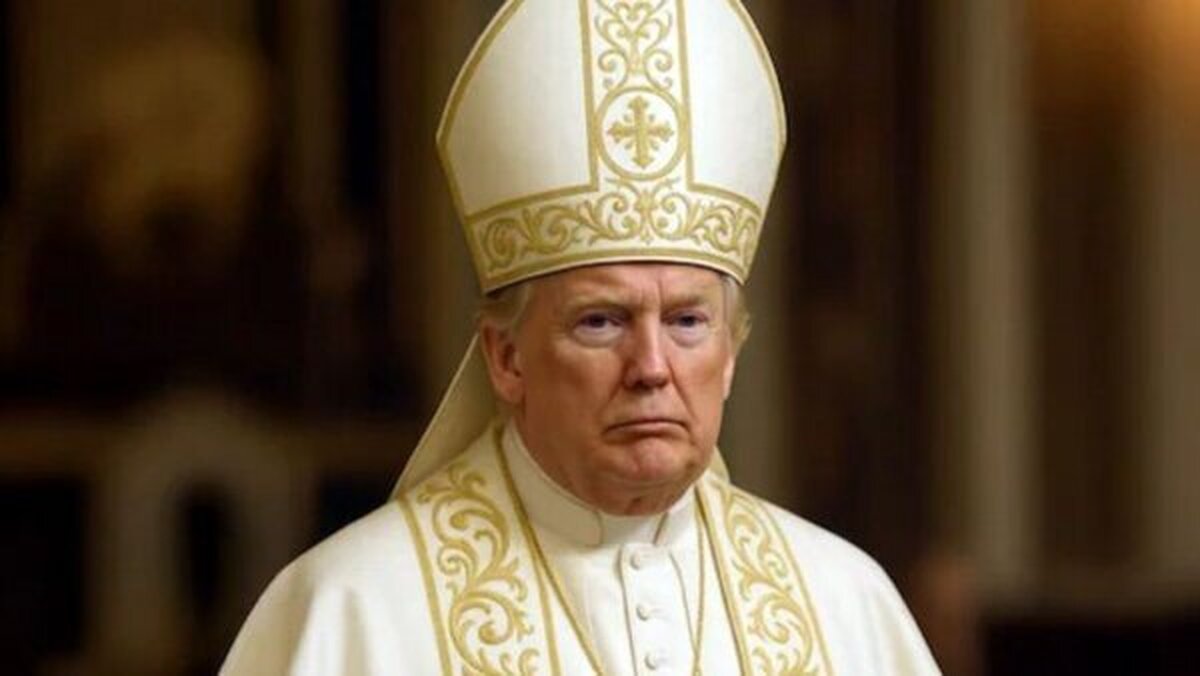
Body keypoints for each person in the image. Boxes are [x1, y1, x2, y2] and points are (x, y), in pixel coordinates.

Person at [222, 0, 940, 673]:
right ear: (506, 358)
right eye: (602, 321)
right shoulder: (355, 609)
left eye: (687, 321)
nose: (651, 367)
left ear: (730, 357)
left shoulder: (844, 606)